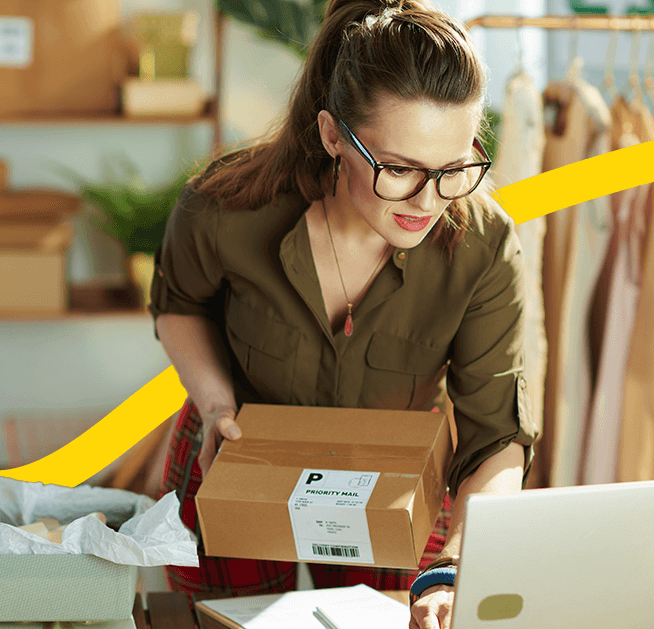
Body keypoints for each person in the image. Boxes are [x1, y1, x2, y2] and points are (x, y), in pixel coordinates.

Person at [147, 0, 538, 626]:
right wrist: (217, 404)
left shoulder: (483, 245)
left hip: (395, 482)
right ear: (334, 135)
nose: (428, 200)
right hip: (237, 456)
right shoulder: (226, 208)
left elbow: (495, 437)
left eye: (454, 168)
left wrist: (455, 569)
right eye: (400, 169)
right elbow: (178, 305)